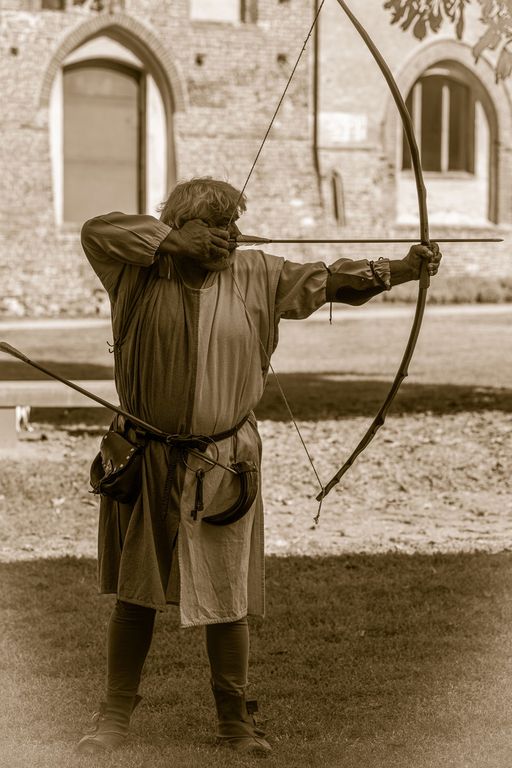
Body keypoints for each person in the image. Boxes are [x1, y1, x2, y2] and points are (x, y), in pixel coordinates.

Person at [77, 177, 441, 756]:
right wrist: (173, 244)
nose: (227, 235)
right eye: (212, 225)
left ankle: (236, 724)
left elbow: (330, 280)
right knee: (136, 592)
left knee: (227, 595)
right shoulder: (136, 270)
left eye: (232, 224)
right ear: (179, 226)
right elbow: (97, 230)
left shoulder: (256, 274)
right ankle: (112, 720)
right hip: (146, 455)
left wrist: (401, 269)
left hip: (224, 460)